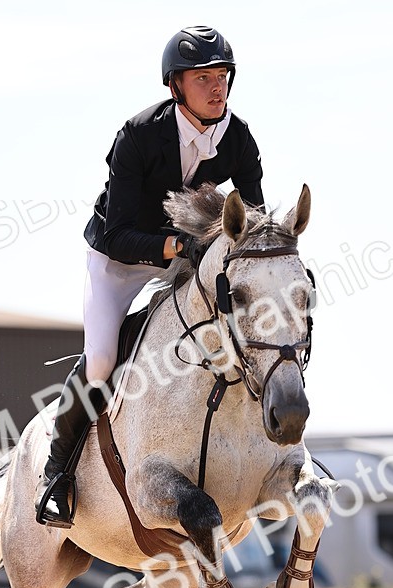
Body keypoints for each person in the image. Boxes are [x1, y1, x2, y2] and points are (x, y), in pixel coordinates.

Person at [35, 25, 265, 528]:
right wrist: (179, 244)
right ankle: (56, 475)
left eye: (222, 75)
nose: (216, 86)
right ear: (175, 86)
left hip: (186, 257)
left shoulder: (239, 138)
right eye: (202, 77)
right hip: (120, 257)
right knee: (101, 359)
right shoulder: (138, 135)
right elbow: (118, 234)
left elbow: (252, 220)